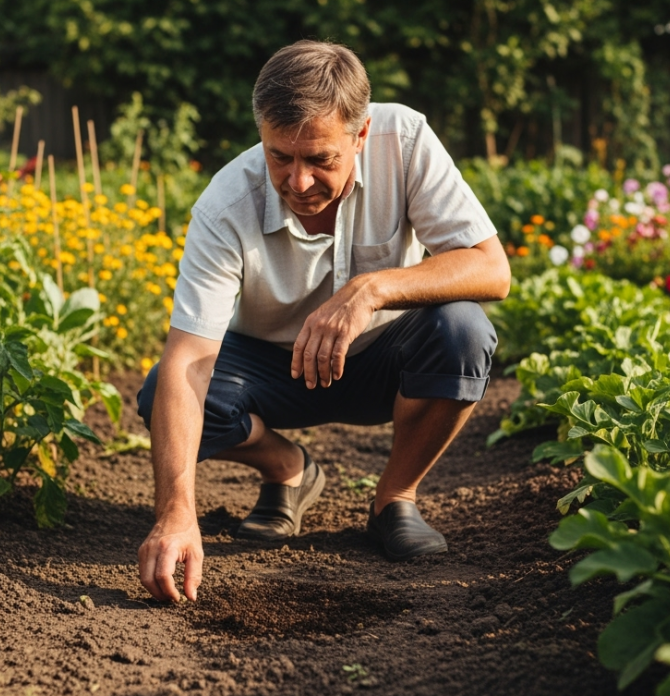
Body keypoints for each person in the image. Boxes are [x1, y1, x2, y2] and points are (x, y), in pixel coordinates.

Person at [135, 39, 510, 602]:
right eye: (279, 156)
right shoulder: (225, 205)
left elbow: (492, 270)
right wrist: (175, 513)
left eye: (320, 159)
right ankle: (287, 468)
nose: (298, 181)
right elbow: (189, 360)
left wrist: (372, 289)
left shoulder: (404, 141)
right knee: (161, 390)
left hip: (386, 359)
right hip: (272, 370)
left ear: (361, 135)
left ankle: (395, 498)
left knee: (464, 330)